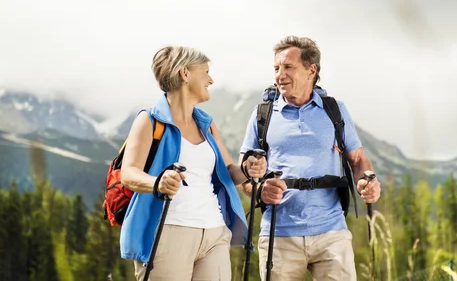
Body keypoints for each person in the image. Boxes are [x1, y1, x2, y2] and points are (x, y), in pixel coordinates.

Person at [239, 36, 381, 281]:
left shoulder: (335, 110)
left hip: (331, 233)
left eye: (288, 67)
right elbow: (242, 174)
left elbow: (358, 160)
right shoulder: (262, 115)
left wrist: (369, 181)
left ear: (311, 70)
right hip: (278, 234)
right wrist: (260, 191)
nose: (279, 75)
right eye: (276, 68)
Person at [120, 46, 267, 281]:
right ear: (184, 73)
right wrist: (158, 182)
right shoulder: (149, 120)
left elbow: (229, 171)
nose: (211, 80)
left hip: (214, 233)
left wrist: (248, 169)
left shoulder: (206, 124)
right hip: (168, 231)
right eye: (206, 72)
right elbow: (128, 173)